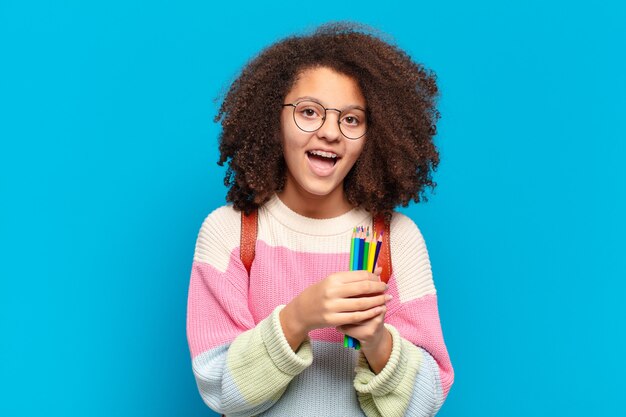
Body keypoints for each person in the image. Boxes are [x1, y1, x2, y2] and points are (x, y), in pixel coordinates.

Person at [186, 22, 454, 416]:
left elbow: (427, 400)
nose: (330, 132)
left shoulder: (396, 238)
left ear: (372, 136)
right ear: (272, 121)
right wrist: (300, 316)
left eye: (351, 119)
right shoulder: (229, 233)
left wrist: (377, 341)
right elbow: (222, 390)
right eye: (308, 112)